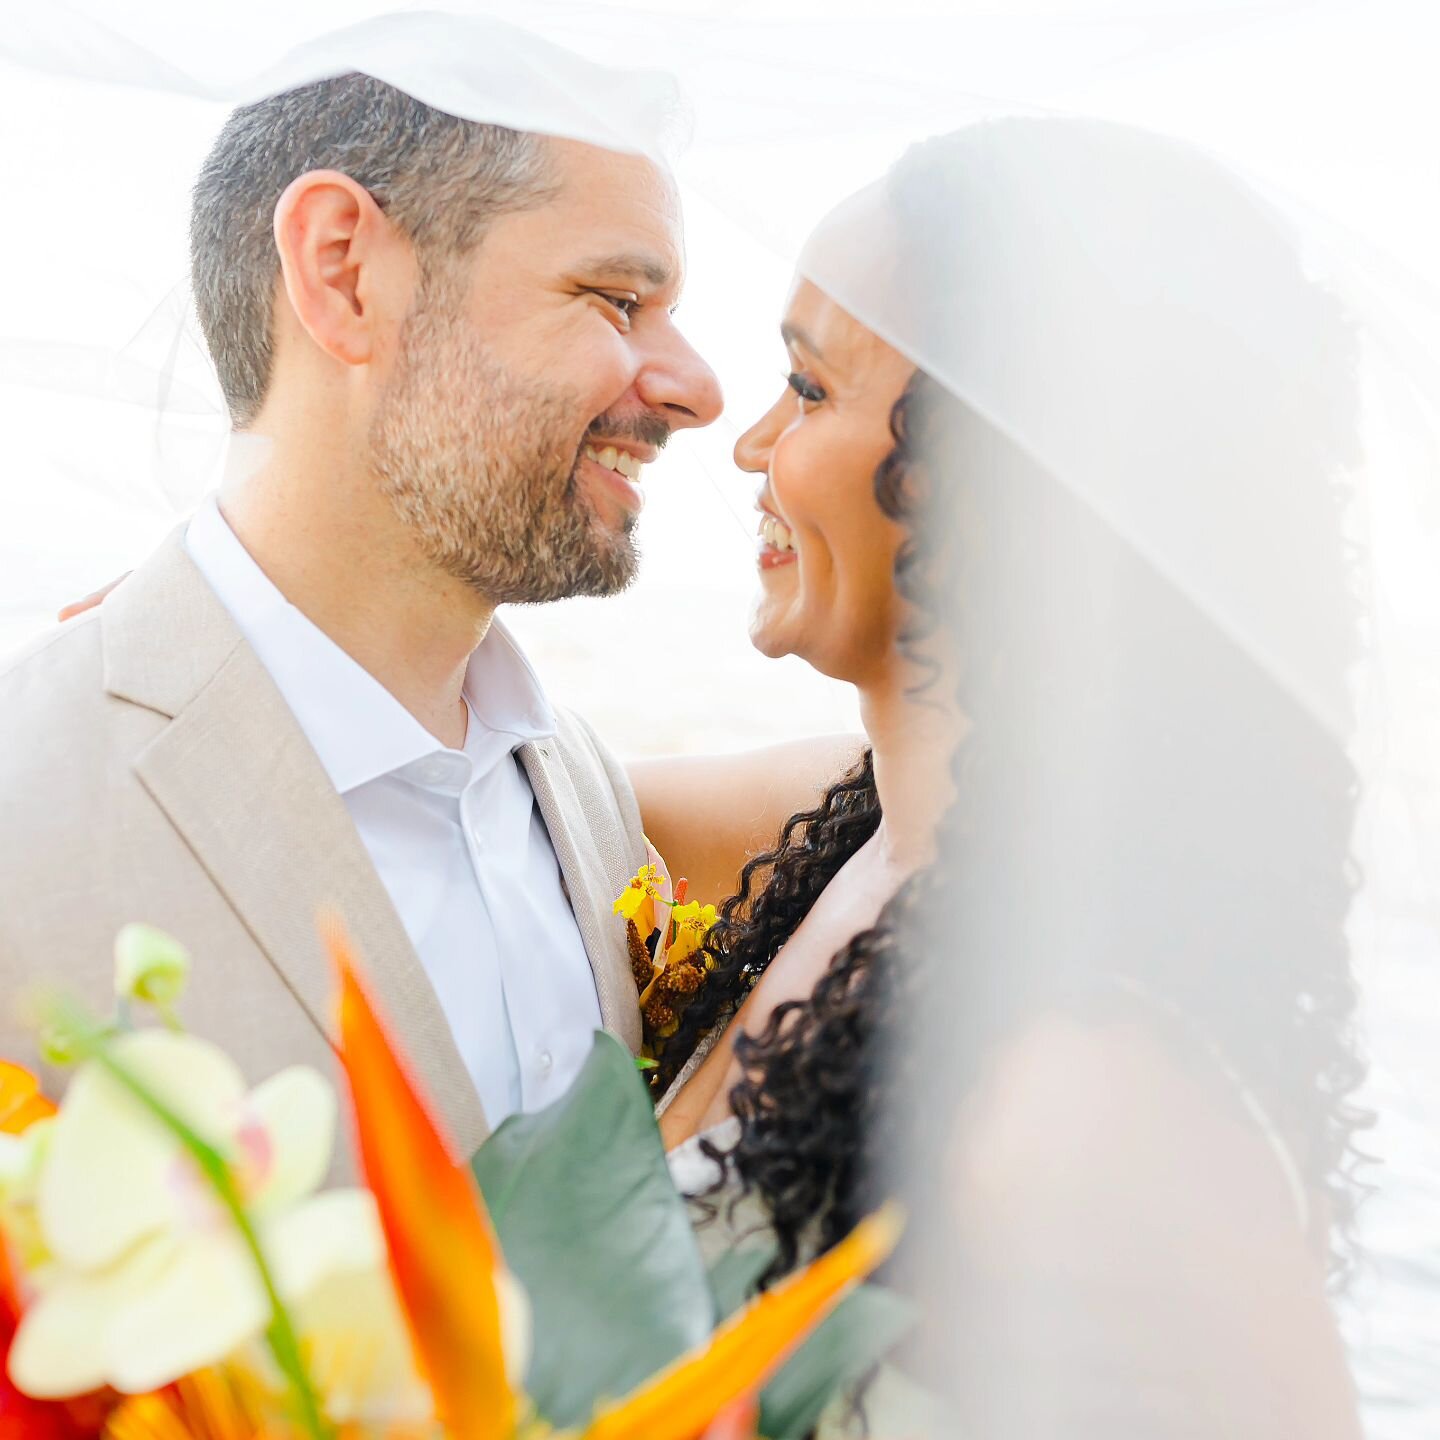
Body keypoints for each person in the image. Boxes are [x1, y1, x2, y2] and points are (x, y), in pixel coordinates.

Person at [657, 118, 1370, 1436]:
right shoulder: (854, 824)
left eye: (809, 389)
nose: (753, 444)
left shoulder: (1096, 1094)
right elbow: (492, 780)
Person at [0, 72, 851, 1161]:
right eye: (613, 299)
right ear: (343, 272)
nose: (696, 387)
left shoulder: (578, 792)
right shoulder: (37, 800)